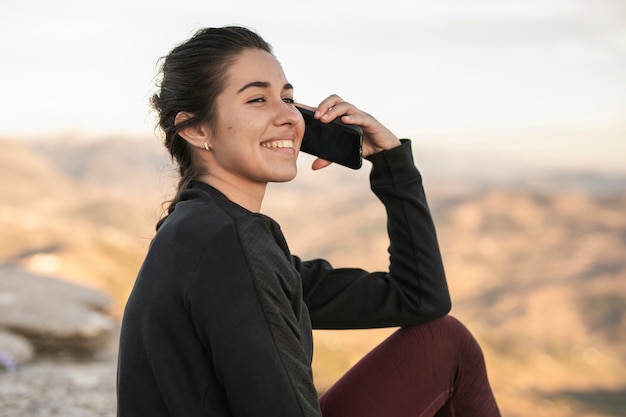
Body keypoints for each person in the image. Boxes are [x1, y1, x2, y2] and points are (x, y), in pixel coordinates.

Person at [116, 26, 501, 417]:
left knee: (444, 339)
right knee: (451, 345)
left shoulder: (207, 231)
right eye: (257, 99)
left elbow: (420, 299)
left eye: (288, 98)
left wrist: (391, 163)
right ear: (197, 129)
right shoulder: (228, 243)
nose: (289, 117)